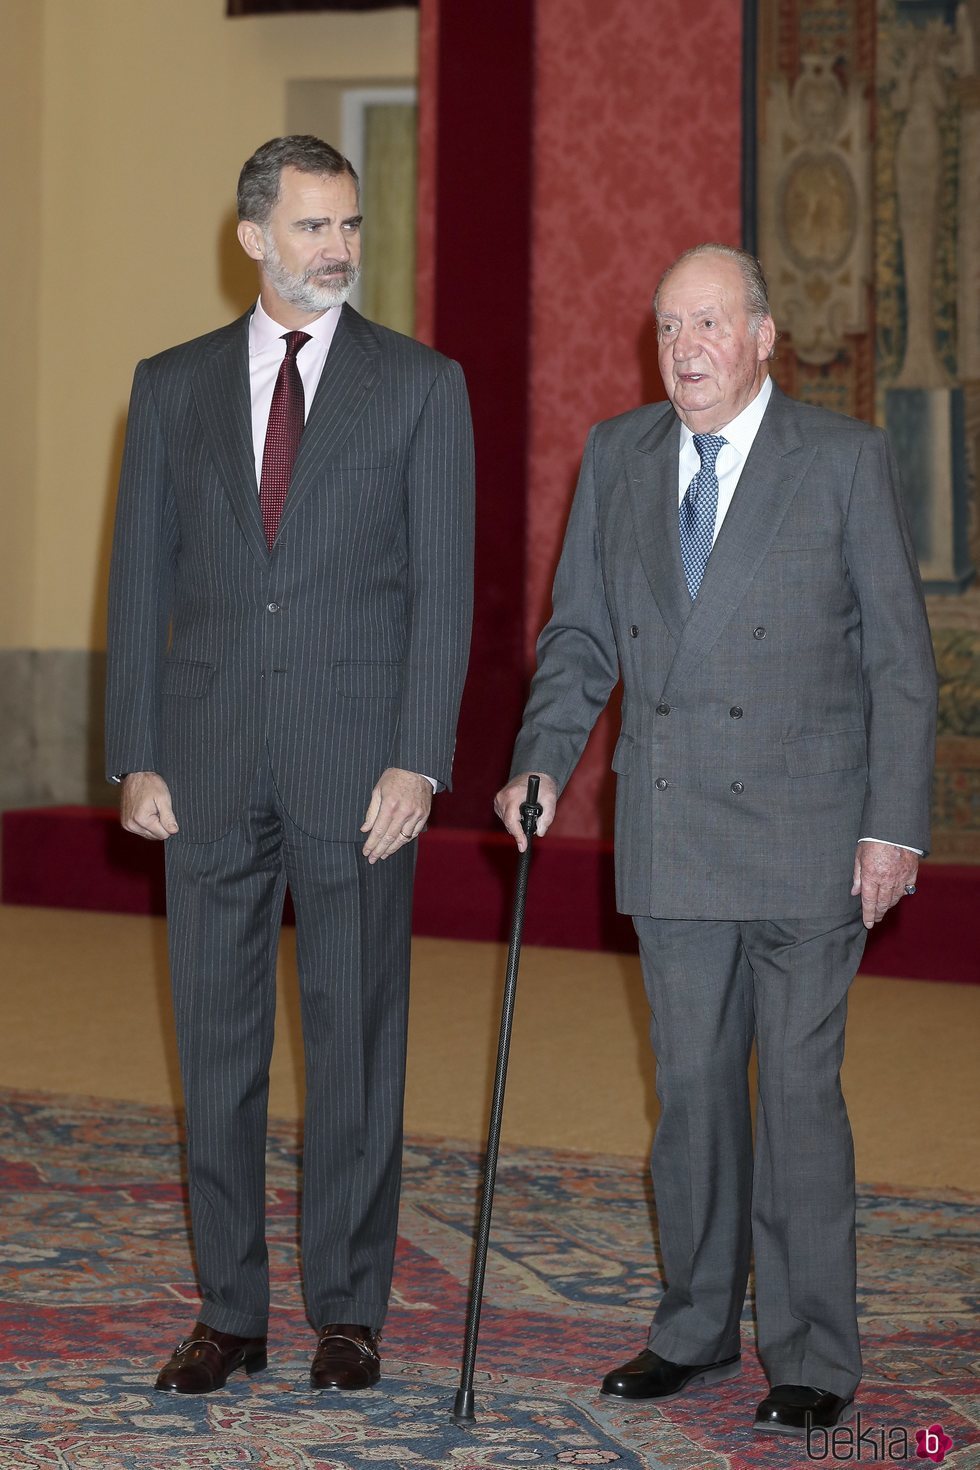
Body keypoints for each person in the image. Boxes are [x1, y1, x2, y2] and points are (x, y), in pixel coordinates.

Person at [495, 244, 936, 1436]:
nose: (683, 348)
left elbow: (899, 661)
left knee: (794, 1092)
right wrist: (541, 759)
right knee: (689, 1092)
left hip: (804, 834)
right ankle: (692, 1327)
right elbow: (578, 638)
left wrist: (891, 825)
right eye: (666, 327)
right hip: (673, 824)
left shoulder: (838, 460)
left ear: (760, 337)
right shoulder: (618, 455)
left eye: (707, 324)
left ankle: (809, 1349)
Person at [105, 136, 474, 1394]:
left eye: (349, 225)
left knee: (355, 1041)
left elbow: (444, 593)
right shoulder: (169, 387)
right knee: (216, 1047)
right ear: (253, 236)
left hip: (357, 769)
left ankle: (347, 1311)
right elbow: (139, 577)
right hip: (205, 767)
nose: (337, 248)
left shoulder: (422, 386)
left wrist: (419, 758)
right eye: (312, 226)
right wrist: (136, 753)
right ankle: (230, 1311)